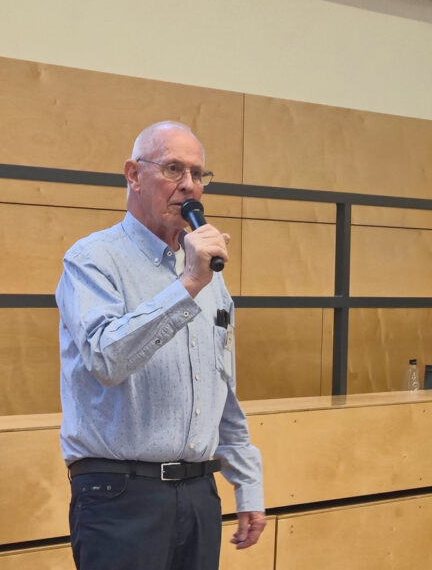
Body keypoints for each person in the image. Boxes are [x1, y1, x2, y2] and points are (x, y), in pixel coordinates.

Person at [56, 120, 266, 570]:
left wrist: (247, 482)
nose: (189, 185)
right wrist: (188, 285)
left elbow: (220, 386)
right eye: (173, 169)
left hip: (198, 494)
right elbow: (106, 359)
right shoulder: (92, 260)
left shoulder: (208, 275)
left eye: (198, 174)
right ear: (133, 175)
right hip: (121, 497)